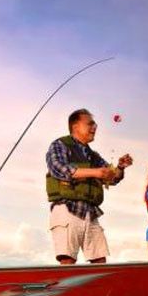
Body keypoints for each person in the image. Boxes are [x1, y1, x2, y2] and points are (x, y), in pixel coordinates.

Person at [45, 109, 133, 264]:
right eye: (90, 124)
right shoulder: (60, 145)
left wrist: (120, 167)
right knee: (67, 260)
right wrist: (96, 172)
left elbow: (112, 178)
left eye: (95, 124)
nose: (95, 127)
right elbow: (58, 168)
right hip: (67, 209)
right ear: (75, 126)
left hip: (90, 213)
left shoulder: (93, 155)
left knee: (100, 261)